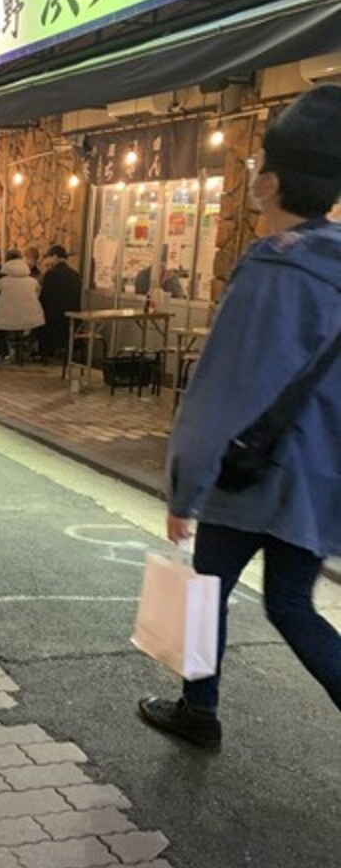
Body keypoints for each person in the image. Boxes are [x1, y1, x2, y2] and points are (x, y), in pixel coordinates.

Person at [139, 85, 341, 748]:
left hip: (251, 470)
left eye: (257, 166)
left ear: (269, 184)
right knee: (290, 604)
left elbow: (222, 389)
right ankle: (196, 707)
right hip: (317, 483)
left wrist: (184, 487)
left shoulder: (270, 270)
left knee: (207, 587)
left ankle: (199, 710)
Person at [0, 248, 45, 363]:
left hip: (4, 320)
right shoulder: (32, 281)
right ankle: (24, 349)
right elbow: (38, 296)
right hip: (29, 321)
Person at [39, 244, 82, 359]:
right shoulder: (75, 275)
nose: (48, 261)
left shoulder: (51, 274)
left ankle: (44, 352)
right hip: (72, 318)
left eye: (49, 257)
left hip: (53, 319)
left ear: (55, 256)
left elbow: (44, 298)